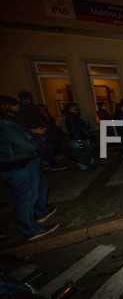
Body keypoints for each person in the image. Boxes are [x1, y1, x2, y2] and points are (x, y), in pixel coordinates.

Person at [0, 95, 59, 240]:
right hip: (19, 165)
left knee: (42, 184)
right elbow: (28, 146)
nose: (18, 108)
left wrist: (31, 133)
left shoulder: (8, 125)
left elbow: (17, 138)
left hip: (21, 163)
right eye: (15, 106)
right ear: (6, 107)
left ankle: (41, 212)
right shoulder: (5, 125)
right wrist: (39, 136)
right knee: (26, 198)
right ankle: (30, 229)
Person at [63, 103, 95, 170]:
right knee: (82, 151)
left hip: (82, 136)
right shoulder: (71, 117)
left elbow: (79, 125)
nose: (75, 108)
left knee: (85, 150)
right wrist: (77, 138)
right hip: (80, 137)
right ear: (69, 109)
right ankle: (84, 166)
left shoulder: (74, 116)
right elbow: (73, 128)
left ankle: (87, 163)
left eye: (75, 107)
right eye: (73, 107)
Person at [38, 104, 66, 171]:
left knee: (56, 144)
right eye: (43, 108)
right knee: (49, 147)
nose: (44, 109)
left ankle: (53, 158)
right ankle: (50, 162)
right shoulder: (39, 116)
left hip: (53, 132)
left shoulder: (47, 115)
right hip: (49, 133)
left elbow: (51, 121)